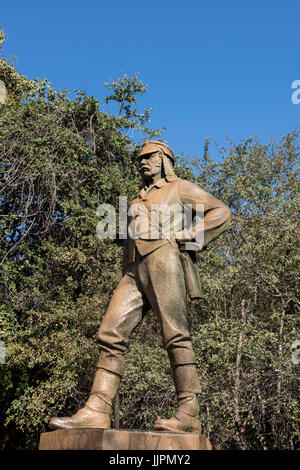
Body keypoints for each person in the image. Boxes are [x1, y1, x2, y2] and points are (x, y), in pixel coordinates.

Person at [49, 141, 231, 434]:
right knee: (110, 332)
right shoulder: (136, 199)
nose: (143, 162)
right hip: (133, 269)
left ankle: (188, 413)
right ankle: (96, 410)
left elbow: (221, 212)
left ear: (163, 159)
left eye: (149, 157)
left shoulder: (180, 188)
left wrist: (188, 237)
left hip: (163, 259)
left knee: (175, 334)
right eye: (140, 159)